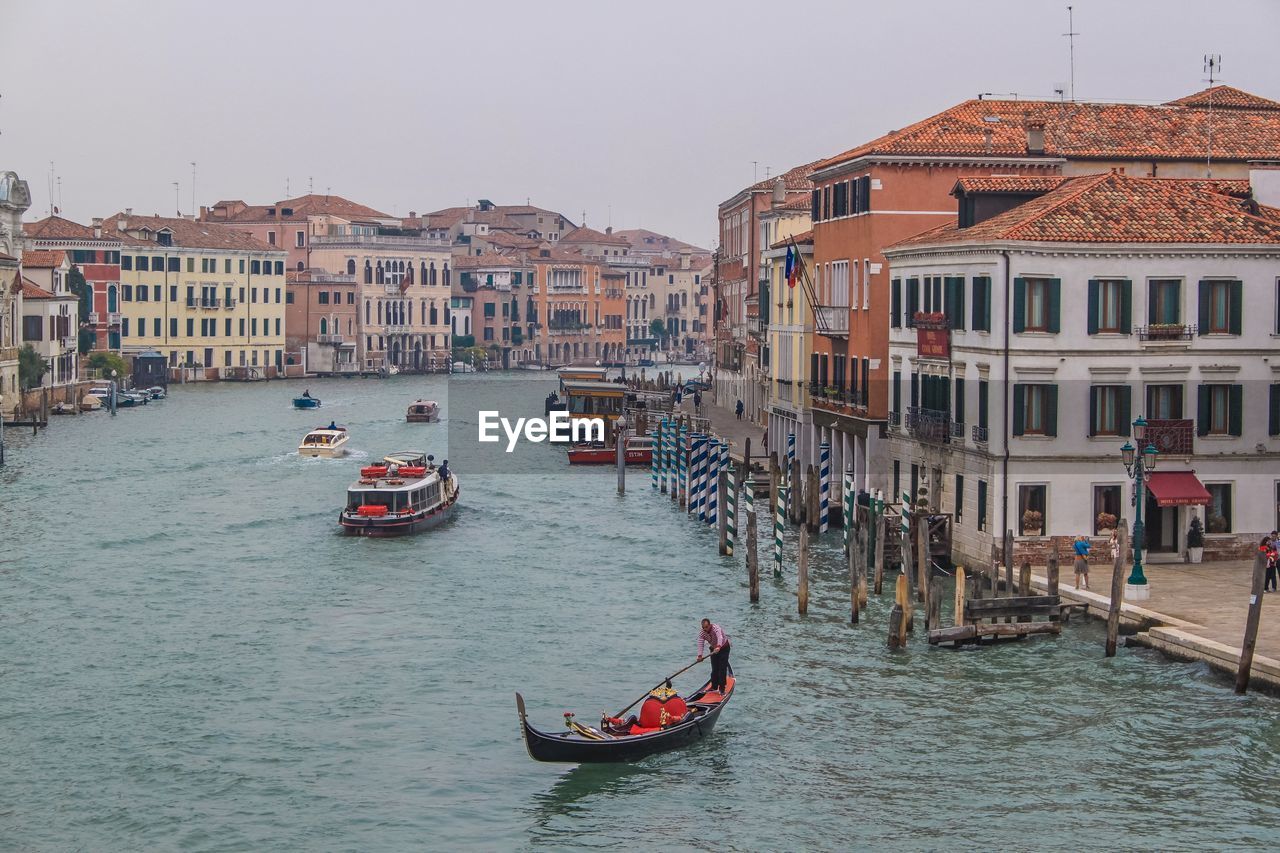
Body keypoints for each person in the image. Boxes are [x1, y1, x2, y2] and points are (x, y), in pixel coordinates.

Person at [696, 618, 732, 694]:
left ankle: (722, 688)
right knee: (715, 668)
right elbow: (700, 643)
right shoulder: (702, 633)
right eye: (703, 627)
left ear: (710, 625)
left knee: (722, 668)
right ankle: (714, 687)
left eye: (706, 627)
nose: (705, 629)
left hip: (724, 648)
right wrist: (700, 656)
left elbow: (720, 637)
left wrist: (718, 646)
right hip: (713, 649)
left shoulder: (716, 628)